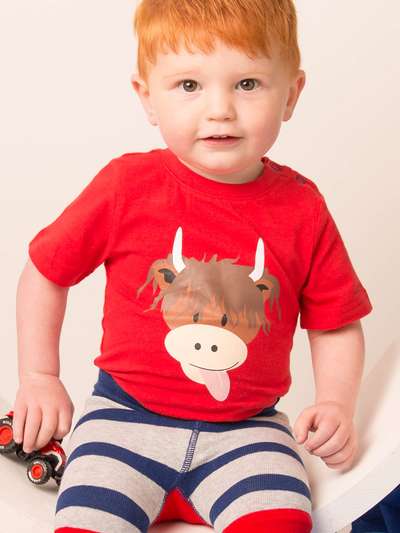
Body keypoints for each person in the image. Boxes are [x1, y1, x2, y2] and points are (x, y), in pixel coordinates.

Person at [12, 0, 372, 532]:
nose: (219, 109)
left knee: (282, 523)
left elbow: (335, 321)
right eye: (189, 85)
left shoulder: (303, 208)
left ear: (291, 94)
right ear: (147, 98)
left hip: (248, 433)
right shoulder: (126, 187)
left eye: (247, 84)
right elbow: (46, 271)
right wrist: (39, 376)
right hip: (122, 423)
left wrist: (336, 402)